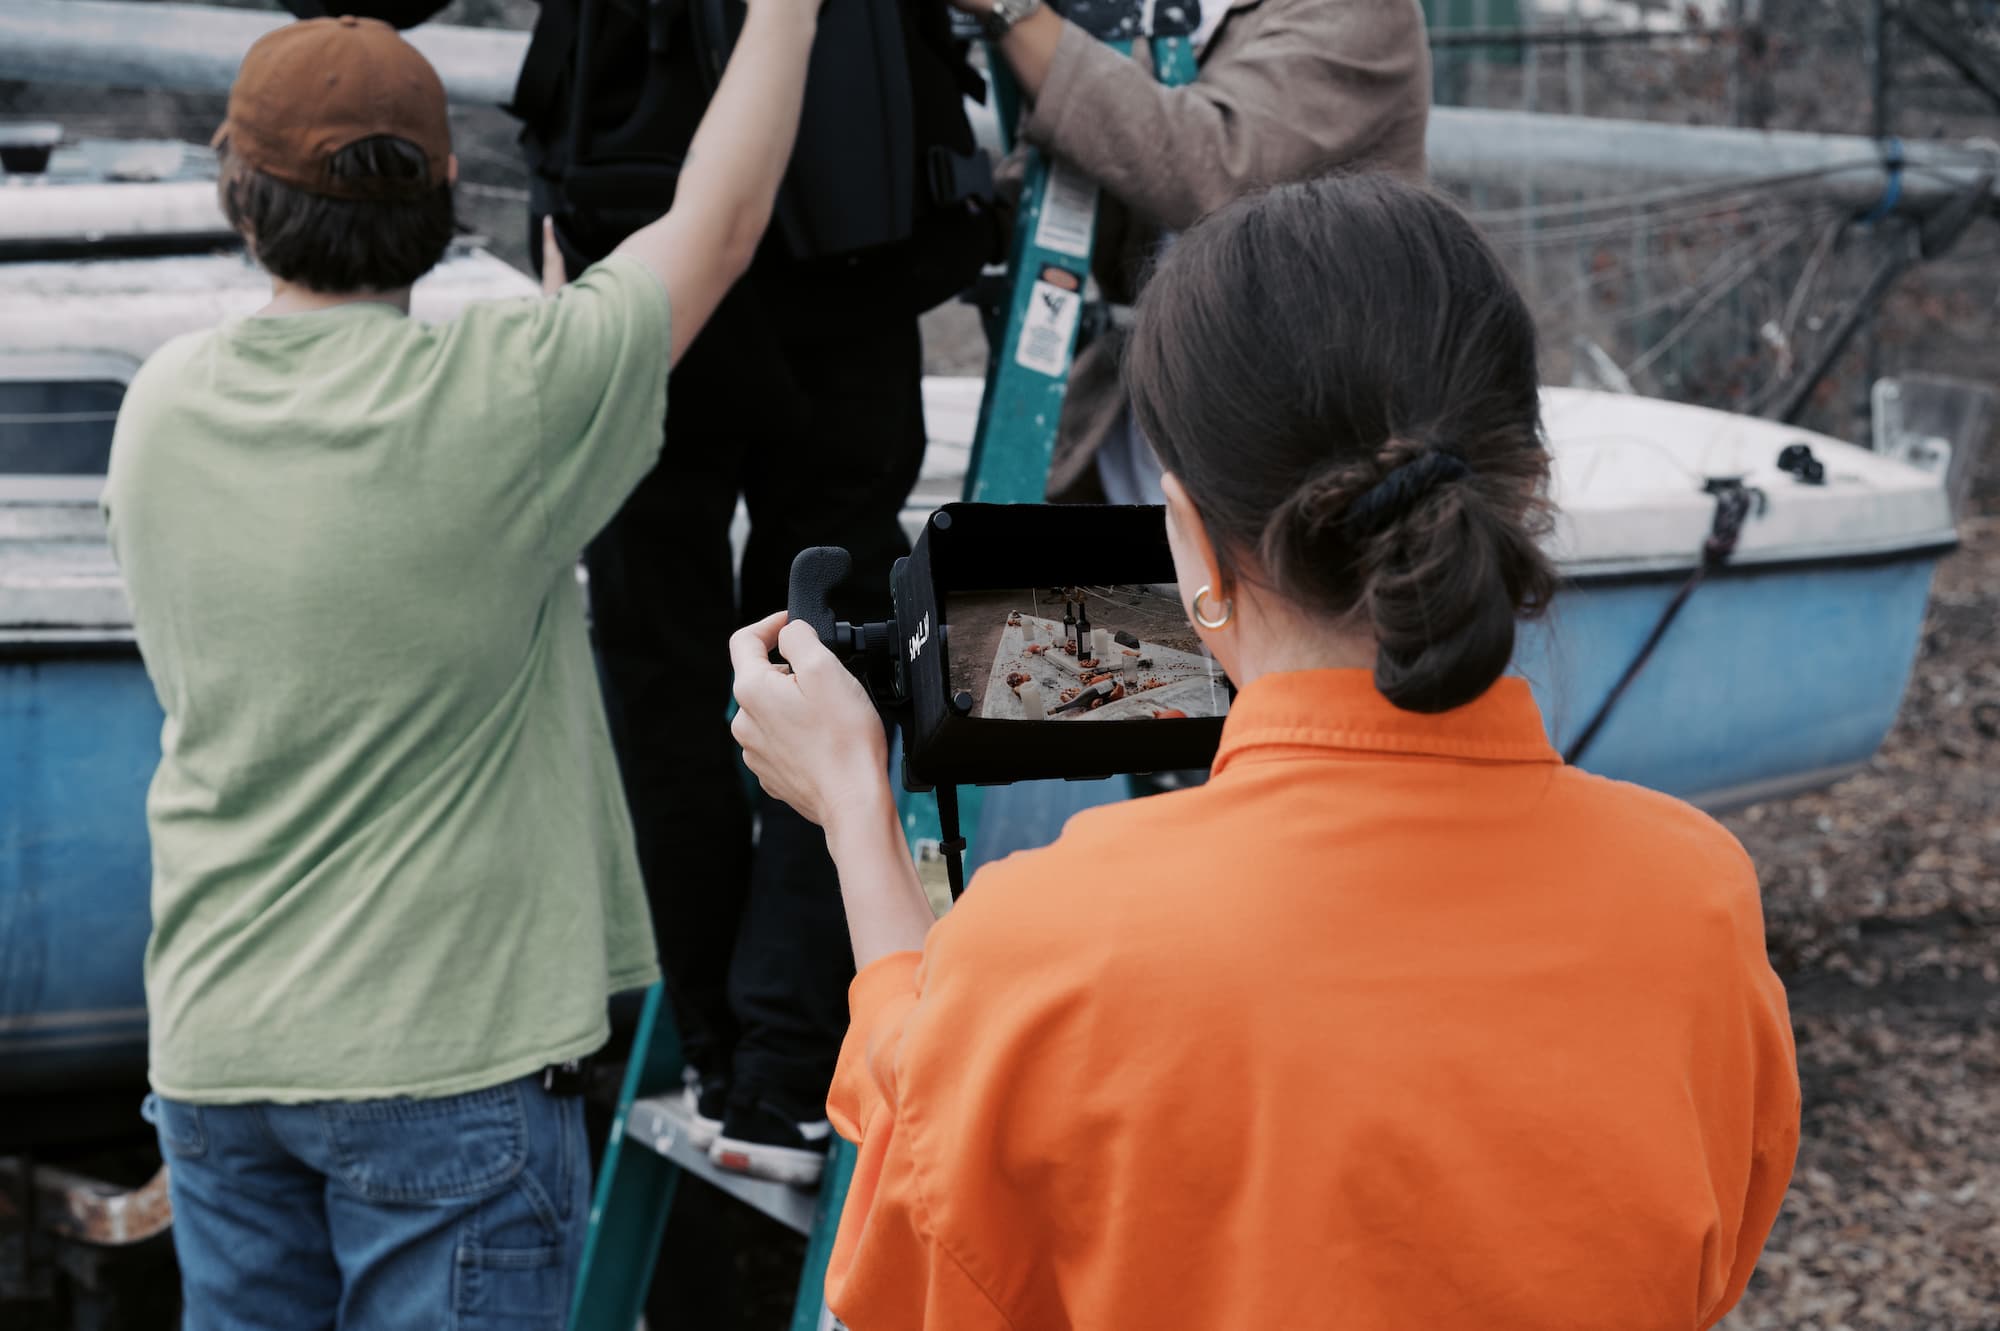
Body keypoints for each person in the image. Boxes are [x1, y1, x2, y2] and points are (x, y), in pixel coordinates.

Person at [728, 174, 1802, 1330]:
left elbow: (924, 1204)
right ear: (1521, 488)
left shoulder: (1050, 948)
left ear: (1186, 532)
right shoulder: (1695, 900)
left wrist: (854, 808)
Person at [103, 8, 815, 1325]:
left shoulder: (161, 407)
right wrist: (789, 10)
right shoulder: (515, 398)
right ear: (441, 193)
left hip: (216, 1050)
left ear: (237, 196)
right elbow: (721, 223)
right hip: (446, 1070)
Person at [300, 0, 995, 1191]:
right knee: (820, 644)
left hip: (646, 233)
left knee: (662, 656)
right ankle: (775, 1066)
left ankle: (736, 1055)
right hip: (849, 229)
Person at [960, 0, 1431, 503]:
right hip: (1140, 430)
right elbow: (1086, 156)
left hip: (1308, 449)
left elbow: (1213, 168)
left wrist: (1015, 11)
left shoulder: (1364, 12)